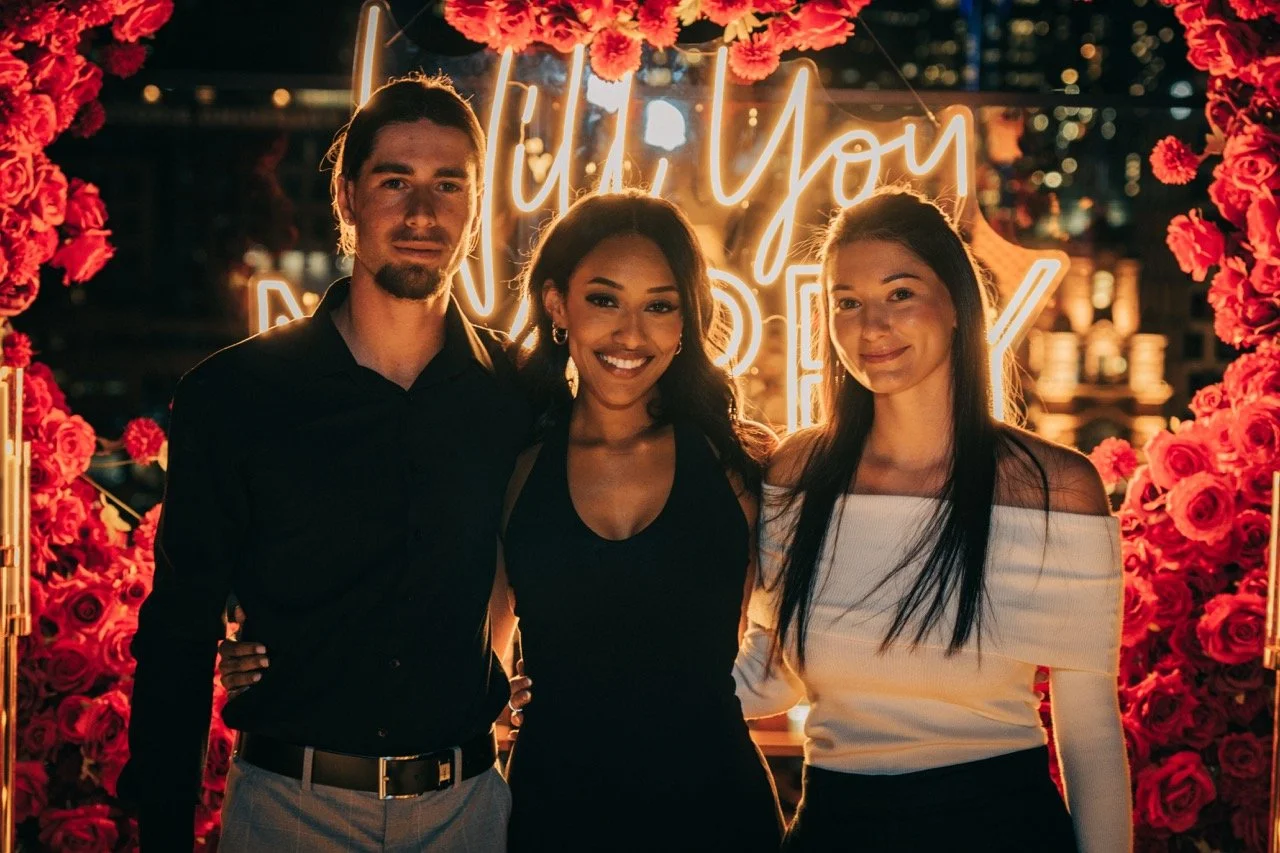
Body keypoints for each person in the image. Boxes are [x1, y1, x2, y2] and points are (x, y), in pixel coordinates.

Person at [222, 190, 785, 852]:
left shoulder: (740, 464)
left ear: (685, 319)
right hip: (555, 815)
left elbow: (806, 639)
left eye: (659, 305)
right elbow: (448, 635)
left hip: (719, 815)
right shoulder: (516, 467)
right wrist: (284, 650)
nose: (631, 333)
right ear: (556, 305)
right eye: (604, 299)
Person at [120, 74, 528, 852]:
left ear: (477, 205)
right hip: (289, 810)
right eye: (393, 182)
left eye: (449, 185)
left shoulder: (514, 394)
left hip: (467, 811)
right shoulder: (235, 395)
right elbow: (177, 626)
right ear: (346, 197)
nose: (421, 212)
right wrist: (165, 829)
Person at [731, 188, 1132, 852]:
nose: (871, 327)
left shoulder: (1053, 486)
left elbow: (1089, 732)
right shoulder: (798, 473)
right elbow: (766, 673)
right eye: (847, 302)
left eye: (899, 293)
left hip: (998, 827)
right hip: (836, 826)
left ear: (955, 306)